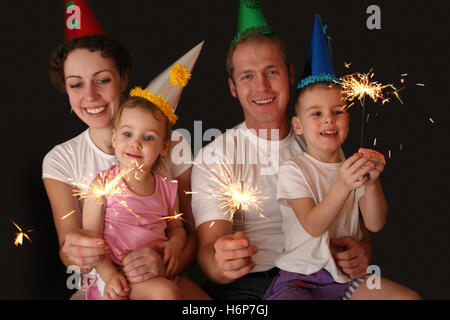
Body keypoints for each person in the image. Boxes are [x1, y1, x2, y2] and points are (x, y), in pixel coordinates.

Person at [191, 2, 371, 300]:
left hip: (323, 275)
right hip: (251, 282)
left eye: (270, 71)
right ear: (233, 87)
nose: (261, 86)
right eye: (247, 76)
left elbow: (359, 228)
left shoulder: (321, 140)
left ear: (289, 74)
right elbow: (209, 250)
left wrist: (361, 250)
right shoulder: (216, 157)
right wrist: (222, 261)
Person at [42, 1, 197, 299]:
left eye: (102, 80)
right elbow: (70, 251)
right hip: (105, 286)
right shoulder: (62, 160)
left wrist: (167, 258)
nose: (91, 96)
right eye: (76, 85)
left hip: (164, 280)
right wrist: (77, 251)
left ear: (123, 77)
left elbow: (189, 238)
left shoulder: (174, 147)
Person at [263, 80, 420, 299]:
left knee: (407, 298)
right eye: (316, 113)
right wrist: (343, 185)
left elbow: (375, 224)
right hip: (302, 277)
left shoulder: (353, 165)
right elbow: (312, 225)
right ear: (298, 125)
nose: (329, 119)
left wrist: (373, 182)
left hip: (346, 278)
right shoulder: (294, 170)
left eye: (338, 111)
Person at [83, 96, 208, 299]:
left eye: (148, 138)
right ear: (114, 138)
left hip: (159, 272)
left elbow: (177, 228)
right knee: (166, 293)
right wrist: (111, 276)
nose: (136, 143)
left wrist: (175, 245)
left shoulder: (167, 188)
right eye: (127, 134)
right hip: (120, 279)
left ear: (163, 147)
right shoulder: (103, 185)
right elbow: (92, 241)